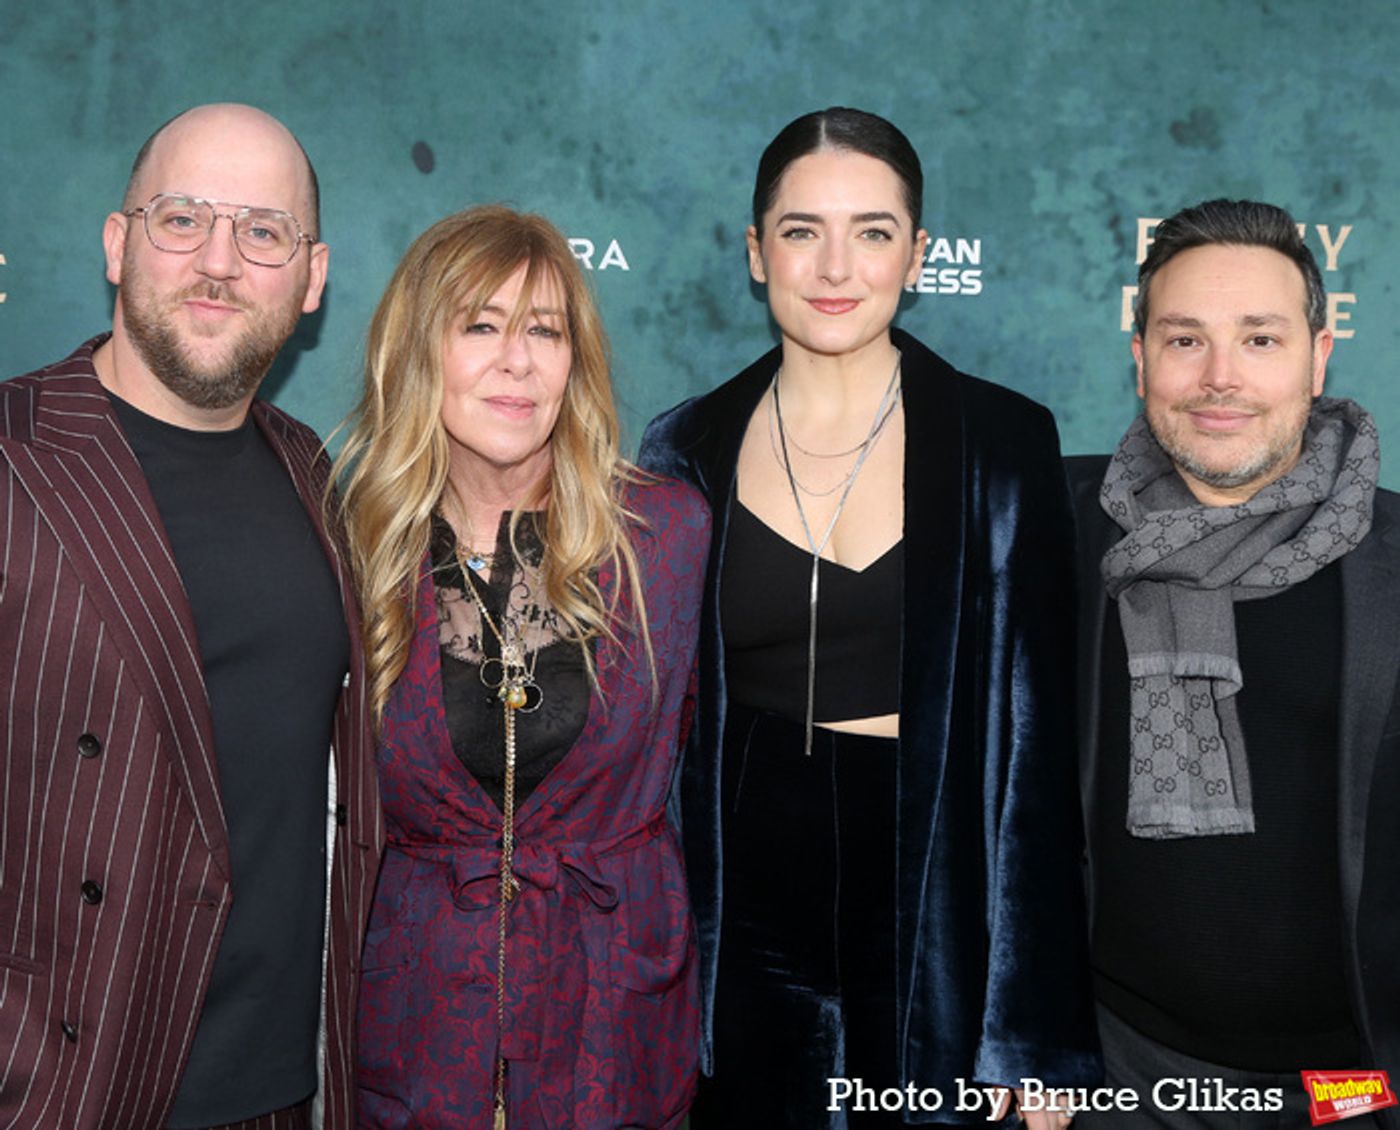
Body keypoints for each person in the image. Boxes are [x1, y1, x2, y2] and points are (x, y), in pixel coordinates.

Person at [639, 107, 1099, 1128]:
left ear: (918, 253)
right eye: (801, 230)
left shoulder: (1003, 441)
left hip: (937, 906)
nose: (835, 264)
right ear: (757, 253)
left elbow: (1035, 750)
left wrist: (1031, 1031)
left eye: (873, 231)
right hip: (739, 926)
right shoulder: (683, 447)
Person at [0, 104, 382, 1129]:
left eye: (263, 231)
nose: (219, 260)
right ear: (119, 245)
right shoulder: (9, 455)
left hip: (276, 1091)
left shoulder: (310, 470)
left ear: (310, 278)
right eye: (182, 219)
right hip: (65, 1089)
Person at [339, 205, 708, 1130]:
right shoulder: (350, 542)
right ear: (420, 351)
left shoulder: (668, 538)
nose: (519, 361)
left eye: (545, 331)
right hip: (419, 1039)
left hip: (612, 1037)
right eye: (481, 327)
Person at [1068, 199, 1400, 1129]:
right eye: (1185, 340)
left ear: (1318, 355)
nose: (1220, 379)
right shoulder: (1055, 527)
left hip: (1349, 1091)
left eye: (1259, 339)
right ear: (1139, 358)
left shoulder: (1398, 561)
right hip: (1118, 1075)